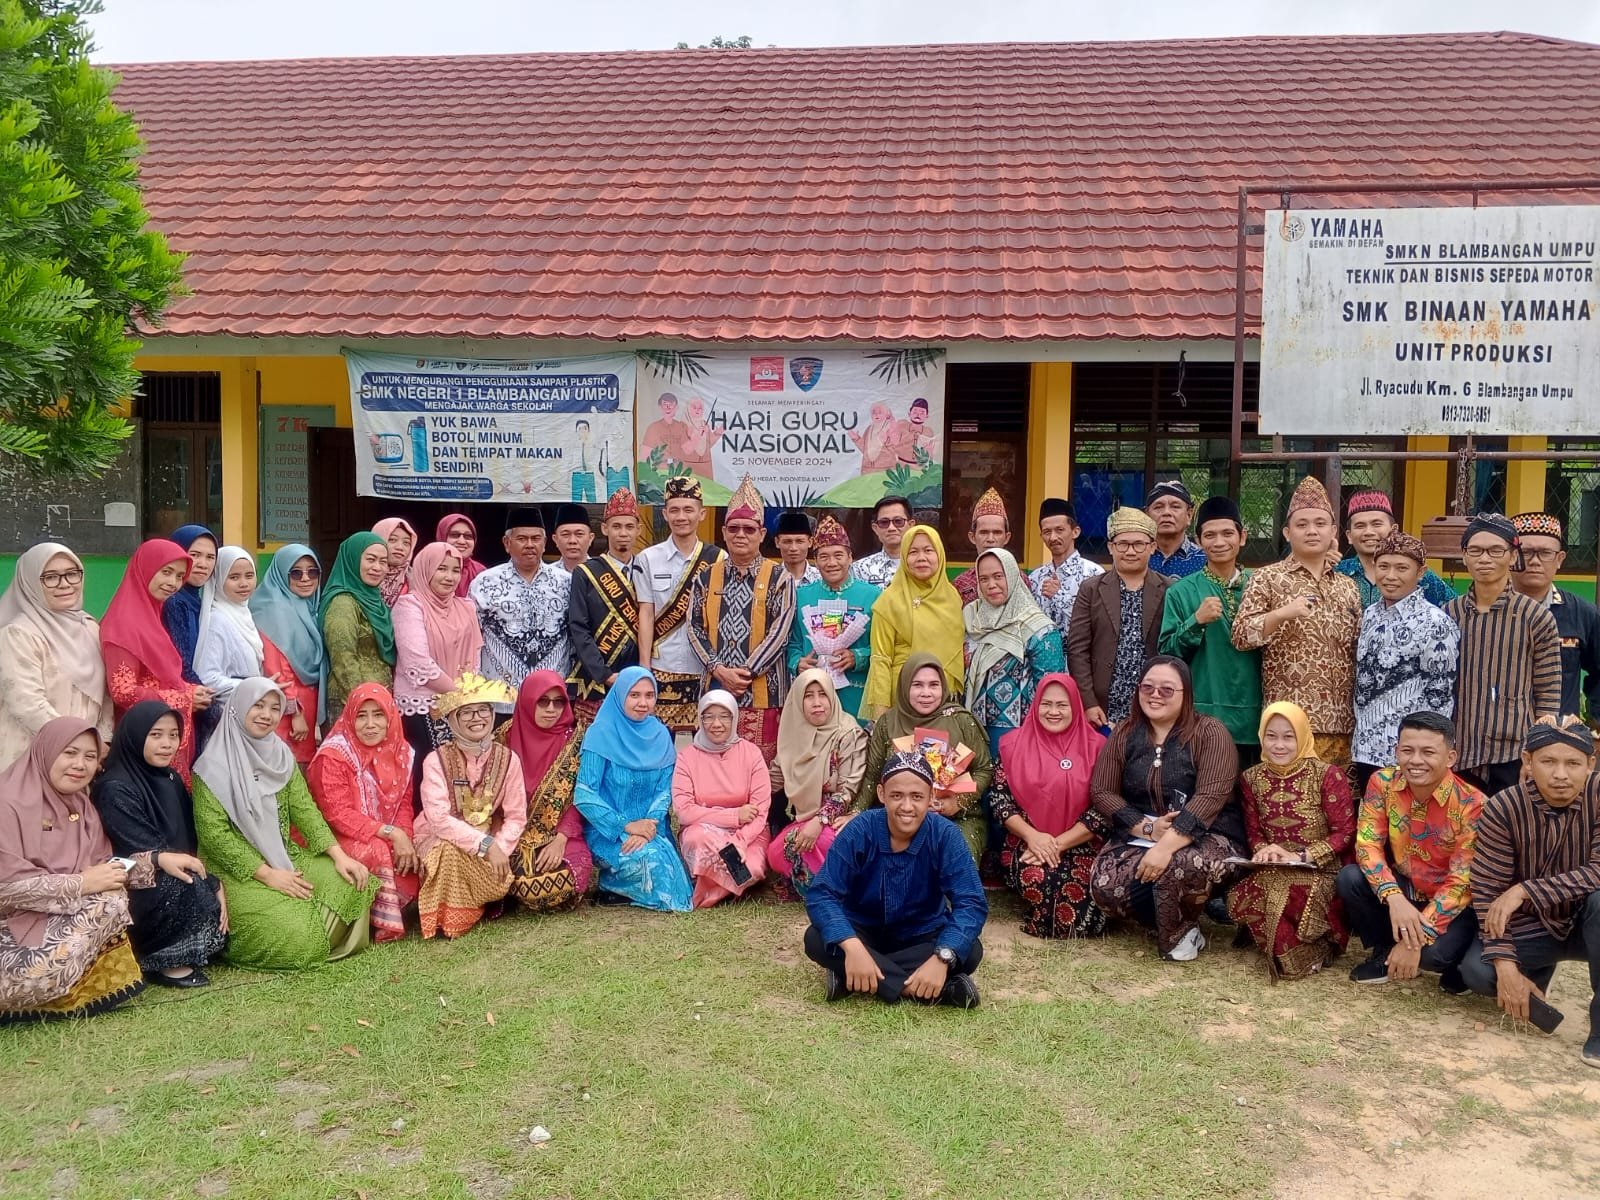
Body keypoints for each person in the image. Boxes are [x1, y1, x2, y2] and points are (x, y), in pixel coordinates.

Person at [192, 678, 376, 970]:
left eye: (275, 708)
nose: (267, 714)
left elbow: (305, 810)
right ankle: (307, 931)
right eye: (258, 705)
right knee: (297, 933)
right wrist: (268, 875)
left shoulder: (280, 756)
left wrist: (340, 857)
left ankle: (313, 923)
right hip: (237, 871)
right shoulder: (210, 768)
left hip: (285, 853)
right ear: (238, 708)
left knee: (351, 882)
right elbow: (215, 837)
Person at [1458, 717, 1600, 1068]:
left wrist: (1525, 890)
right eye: (1548, 761)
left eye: (1573, 763)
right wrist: (1507, 968)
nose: (1561, 775)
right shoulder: (1503, 807)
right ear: (1527, 761)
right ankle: (1532, 975)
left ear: (1591, 764)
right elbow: (1489, 890)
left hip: (1588, 921)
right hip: (1533, 926)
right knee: (1478, 972)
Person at [1088, 656, 1244, 961]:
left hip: (1209, 835)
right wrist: (1146, 827)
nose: (1155, 695)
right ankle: (1167, 919)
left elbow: (1211, 797)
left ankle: (1181, 933)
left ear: (1186, 694)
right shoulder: (1124, 733)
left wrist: (1166, 845)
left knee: (1177, 866)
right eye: (1147, 687)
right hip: (1143, 834)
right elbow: (1101, 790)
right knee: (1105, 882)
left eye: (1167, 689)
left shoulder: (1210, 733)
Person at [803, 751, 988, 1007]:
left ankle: (853, 976)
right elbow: (822, 893)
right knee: (816, 939)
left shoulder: (946, 835)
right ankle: (933, 990)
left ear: (931, 797)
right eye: (896, 795)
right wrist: (853, 947)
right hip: (863, 933)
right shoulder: (861, 829)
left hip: (921, 935)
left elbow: (971, 903)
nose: (907, 807)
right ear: (881, 794)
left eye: (917, 797)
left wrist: (942, 958)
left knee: (970, 951)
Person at [0, 718, 149, 1021]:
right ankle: (29, 989)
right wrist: (81, 883)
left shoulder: (80, 806)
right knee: (108, 901)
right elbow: (5, 889)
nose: (80, 764)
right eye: (69, 753)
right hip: (10, 925)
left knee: (114, 896)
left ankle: (54, 988)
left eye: (90, 756)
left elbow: (100, 867)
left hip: (55, 921)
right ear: (46, 751)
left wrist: (153, 863)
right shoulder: (8, 803)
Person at [1337, 711, 1482, 987]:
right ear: (1396, 751)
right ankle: (1383, 951)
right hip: (1405, 887)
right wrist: (1394, 897)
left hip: (1449, 900)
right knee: (1349, 878)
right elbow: (1368, 845)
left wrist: (1415, 942)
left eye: (1428, 752)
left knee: (1432, 956)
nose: (1416, 760)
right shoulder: (1383, 782)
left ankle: (1455, 963)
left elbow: (1463, 882)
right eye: (1407, 750)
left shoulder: (1471, 803)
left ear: (1451, 757)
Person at [91, 702, 226, 986]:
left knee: (205, 888)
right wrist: (201, 879)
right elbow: (138, 850)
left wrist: (211, 880)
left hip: (170, 865)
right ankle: (162, 960)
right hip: (127, 879)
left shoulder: (170, 777)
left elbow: (184, 842)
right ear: (135, 735)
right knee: (184, 887)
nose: (167, 744)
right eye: (156, 735)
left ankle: (185, 946)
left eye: (173, 735)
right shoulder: (114, 788)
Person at [1232, 476, 1362, 766]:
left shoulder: (1347, 585)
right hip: (1287, 724)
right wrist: (1282, 614)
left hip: (1342, 722)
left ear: (1333, 532)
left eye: (1320, 523)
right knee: (1288, 806)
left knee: (1337, 806)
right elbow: (1240, 635)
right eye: (1302, 525)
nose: (1312, 531)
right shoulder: (1267, 578)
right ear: (1287, 533)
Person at [1228, 702, 1355, 981]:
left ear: (1303, 735)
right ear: (1261, 736)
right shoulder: (1251, 778)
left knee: (1287, 897)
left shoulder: (1327, 775)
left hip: (1319, 868)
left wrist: (1302, 857)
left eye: (1289, 736)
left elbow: (1344, 832)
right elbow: (1254, 832)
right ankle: (1294, 949)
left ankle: (1311, 949)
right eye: (1271, 736)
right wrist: (1264, 851)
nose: (1279, 745)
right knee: (1242, 898)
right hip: (1274, 867)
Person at [1444, 514, 1563, 795]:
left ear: (1512, 556)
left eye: (1496, 550)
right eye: (1476, 550)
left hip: (1512, 752)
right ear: (1464, 556)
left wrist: (1536, 753)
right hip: (1458, 750)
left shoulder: (1535, 616)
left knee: (1510, 832)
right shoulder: (1449, 614)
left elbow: (1548, 694)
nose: (1485, 558)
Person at [990, 674, 1109, 939]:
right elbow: (1000, 801)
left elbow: (1104, 808)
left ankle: (1056, 918)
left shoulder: (1098, 747)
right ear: (1035, 705)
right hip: (1027, 843)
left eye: (1062, 705)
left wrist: (1056, 844)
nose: (1053, 711)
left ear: (1075, 706)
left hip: (1082, 843)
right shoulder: (1012, 745)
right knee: (1039, 879)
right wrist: (1034, 837)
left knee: (1085, 899)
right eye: (1046, 704)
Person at [687, 475, 796, 762]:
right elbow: (694, 628)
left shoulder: (778, 577)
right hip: (715, 690)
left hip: (764, 695)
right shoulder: (706, 577)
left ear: (761, 534)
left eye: (749, 529)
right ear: (723, 532)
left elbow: (780, 633)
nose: (740, 534)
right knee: (713, 768)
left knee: (760, 771)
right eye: (733, 528)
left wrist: (744, 674)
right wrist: (720, 671)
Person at [414, 673, 527, 940]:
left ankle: (476, 902)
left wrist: (500, 847)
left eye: (482, 710)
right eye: (467, 712)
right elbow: (439, 820)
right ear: (453, 719)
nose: (477, 718)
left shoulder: (509, 759)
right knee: (447, 853)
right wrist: (485, 847)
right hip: (437, 837)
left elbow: (516, 817)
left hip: (490, 840)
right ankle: (451, 917)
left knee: (500, 874)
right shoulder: (435, 760)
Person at [572, 666, 692, 912]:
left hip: (652, 829)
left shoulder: (660, 734)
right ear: (620, 695)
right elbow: (584, 794)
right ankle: (612, 884)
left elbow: (664, 790)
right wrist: (626, 826)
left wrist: (647, 827)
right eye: (634, 695)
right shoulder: (600, 734)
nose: (642, 703)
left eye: (649, 695)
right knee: (654, 864)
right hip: (609, 833)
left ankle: (619, 886)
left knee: (673, 871)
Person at [306, 684, 419, 943]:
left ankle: (396, 910)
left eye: (378, 714)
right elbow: (336, 813)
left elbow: (404, 804)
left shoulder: (400, 751)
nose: (370, 724)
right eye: (361, 715)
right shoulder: (334, 755)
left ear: (390, 716)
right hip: (333, 835)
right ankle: (381, 924)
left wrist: (406, 837)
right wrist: (392, 833)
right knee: (377, 848)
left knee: (413, 846)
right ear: (349, 717)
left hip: (381, 829)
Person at [856, 653, 993, 861]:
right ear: (904, 687)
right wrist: (856, 812)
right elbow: (873, 776)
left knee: (954, 863)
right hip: (900, 816)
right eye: (917, 685)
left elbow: (984, 769)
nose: (926, 693)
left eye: (934, 685)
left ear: (943, 687)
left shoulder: (961, 721)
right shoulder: (887, 723)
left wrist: (956, 802)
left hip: (957, 818)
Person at [1353, 532, 1460, 791]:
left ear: (1420, 572)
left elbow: (1440, 694)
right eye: (1384, 566)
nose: (1391, 576)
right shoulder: (1369, 615)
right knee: (1371, 827)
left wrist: (1424, 753)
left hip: (1408, 756)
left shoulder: (1435, 622)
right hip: (1364, 748)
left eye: (1402, 568)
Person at [1157, 496, 1261, 758]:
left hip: (1259, 714)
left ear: (1242, 537)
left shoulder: (1261, 585)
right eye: (1210, 535)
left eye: (1227, 533)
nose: (1219, 542)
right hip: (1204, 713)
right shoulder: (1181, 591)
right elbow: (1167, 655)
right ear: (1199, 540)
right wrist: (1196, 621)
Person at [101, 539, 212, 782]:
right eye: (166, 572)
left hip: (163, 734)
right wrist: (184, 697)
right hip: (144, 740)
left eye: (180, 576)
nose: (173, 583)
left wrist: (189, 689)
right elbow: (123, 691)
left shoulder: (153, 614)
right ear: (146, 568)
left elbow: (158, 676)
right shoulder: (124, 623)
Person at [0, 542, 112, 770]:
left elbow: (106, 694)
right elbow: (27, 704)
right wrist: (80, 743)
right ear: (30, 581)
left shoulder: (89, 627)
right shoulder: (19, 634)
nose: (65, 584)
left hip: (84, 761)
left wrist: (102, 740)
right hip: (33, 755)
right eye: (50, 577)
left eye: (72, 574)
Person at [636, 475, 725, 733]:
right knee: (660, 739)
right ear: (664, 514)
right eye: (674, 510)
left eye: (688, 509)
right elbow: (646, 612)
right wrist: (644, 667)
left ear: (702, 514)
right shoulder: (648, 559)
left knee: (707, 739)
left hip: (706, 666)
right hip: (663, 666)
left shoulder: (719, 558)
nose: (681, 516)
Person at [768, 667, 869, 895]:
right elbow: (772, 780)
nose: (817, 702)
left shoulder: (849, 733)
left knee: (823, 842)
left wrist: (819, 821)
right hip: (805, 820)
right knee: (775, 854)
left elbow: (847, 791)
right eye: (808, 695)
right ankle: (826, 886)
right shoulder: (793, 734)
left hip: (843, 819)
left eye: (823, 694)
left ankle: (837, 891)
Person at [1067, 507, 1170, 729]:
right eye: (1122, 544)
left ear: (1152, 547)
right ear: (1111, 547)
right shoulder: (1092, 589)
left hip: (1155, 702)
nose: (1130, 551)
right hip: (1103, 708)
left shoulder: (1169, 589)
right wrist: (1088, 702)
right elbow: (1077, 649)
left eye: (1139, 544)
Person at [672, 690, 773, 907]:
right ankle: (731, 886)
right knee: (696, 839)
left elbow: (760, 811)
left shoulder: (751, 754)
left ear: (734, 718)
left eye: (724, 716)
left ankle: (707, 889)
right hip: (704, 831)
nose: (716, 724)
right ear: (700, 719)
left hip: (748, 833)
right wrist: (734, 815)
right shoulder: (687, 757)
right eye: (709, 717)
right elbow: (684, 811)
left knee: (752, 868)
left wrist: (740, 841)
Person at [507, 670, 595, 912]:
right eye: (542, 701)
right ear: (527, 702)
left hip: (562, 835)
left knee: (564, 877)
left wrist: (561, 839)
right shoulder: (504, 738)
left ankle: (515, 889)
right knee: (516, 878)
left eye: (559, 702)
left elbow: (582, 795)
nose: (551, 709)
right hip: (512, 835)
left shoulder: (576, 741)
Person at [394, 542, 483, 776]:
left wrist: (467, 693)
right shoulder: (409, 605)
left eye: (456, 570)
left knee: (460, 774)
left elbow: (474, 656)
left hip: (460, 706)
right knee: (430, 773)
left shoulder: (466, 607)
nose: (450, 577)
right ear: (425, 569)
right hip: (424, 707)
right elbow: (418, 663)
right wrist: (458, 693)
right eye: (442, 569)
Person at [964, 547, 1065, 753]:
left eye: (998, 576)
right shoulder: (971, 619)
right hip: (972, 730)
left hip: (1018, 736)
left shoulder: (1039, 629)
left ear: (1011, 575)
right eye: (983, 579)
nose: (991, 585)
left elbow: (1051, 690)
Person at [863, 525, 965, 719]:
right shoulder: (889, 601)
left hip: (944, 701)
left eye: (928, 550)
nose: (921, 558)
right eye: (913, 552)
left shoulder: (952, 598)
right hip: (902, 701)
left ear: (940, 555)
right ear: (903, 557)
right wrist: (881, 716)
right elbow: (880, 661)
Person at [471, 507, 573, 695]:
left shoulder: (566, 582)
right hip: (500, 696)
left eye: (535, 539)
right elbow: (471, 637)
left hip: (551, 699)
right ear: (507, 543)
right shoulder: (485, 582)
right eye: (521, 539)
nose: (529, 544)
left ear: (544, 543)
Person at [1511, 511, 1600, 722]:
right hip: (1497, 742)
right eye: (1526, 552)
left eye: (1545, 553)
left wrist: (1596, 723)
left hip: (1559, 741)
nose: (1535, 561)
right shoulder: (1489, 610)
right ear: (1511, 556)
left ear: (1559, 559)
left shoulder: (1582, 613)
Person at [787, 515, 877, 723]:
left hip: (856, 691)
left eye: (838, 555)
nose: (832, 563)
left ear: (850, 558)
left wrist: (858, 656)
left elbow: (884, 647)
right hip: (813, 692)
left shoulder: (873, 596)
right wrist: (796, 662)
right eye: (824, 557)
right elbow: (792, 641)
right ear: (815, 561)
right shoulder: (801, 596)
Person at [568, 487, 643, 718]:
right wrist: (604, 673)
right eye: (616, 526)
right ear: (604, 528)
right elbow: (578, 628)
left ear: (638, 530)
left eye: (629, 526)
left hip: (636, 676)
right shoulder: (586, 572)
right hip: (596, 678)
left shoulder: (647, 569)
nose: (623, 533)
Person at [250, 544, 327, 763]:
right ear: (282, 574)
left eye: (313, 572)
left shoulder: (308, 608)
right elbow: (277, 670)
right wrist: (295, 713)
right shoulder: (272, 609)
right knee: (286, 772)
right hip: (287, 711)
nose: (305, 578)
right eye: (296, 572)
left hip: (306, 705)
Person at [320, 532, 397, 718]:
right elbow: (343, 658)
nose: (377, 567)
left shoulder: (375, 600)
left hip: (381, 700)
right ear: (352, 560)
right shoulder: (343, 603)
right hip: (354, 703)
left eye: (383, 561)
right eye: (370, 559)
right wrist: (362, 702)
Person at [1335, 491, 1455, 608]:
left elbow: (1455, 610)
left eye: (1376, 524)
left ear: (1393, 530)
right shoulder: (1336, 573)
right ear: (1349, 536)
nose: (1368, 532)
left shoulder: (1418, 576)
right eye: (1360, 526)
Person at [194, 546, 268, 706]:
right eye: (234, 577)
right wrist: (254, 687)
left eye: (249, 576)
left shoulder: (243, 614)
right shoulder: (217, 620)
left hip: (249, 708)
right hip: (228, 713)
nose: (244, 584)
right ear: (218, 579)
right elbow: (208, 678)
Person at [1028, 497, 1102, 646]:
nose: (1053, 537)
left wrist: (1060, 596)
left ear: (1075, 532)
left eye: (1059, 530)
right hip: (1043, 664)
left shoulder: (1093, 573)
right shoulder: (1035, 577)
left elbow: (1099, 622)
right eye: (1047, 532)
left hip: (1079, 661)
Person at [161, 524, 218, 683]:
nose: (203, 564)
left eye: (210, 557)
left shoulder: (201, 602)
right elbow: (182, 665)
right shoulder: (174, 602)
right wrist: (211, 704)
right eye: (195, 555)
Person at [951, 487, 1017, 606]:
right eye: (984, 532)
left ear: (1007, 537)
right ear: (972, 537)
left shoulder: (1020, 580)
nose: (990, 539)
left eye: (997, 532)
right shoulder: (959, 585)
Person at [1146, 479, 1206, 579]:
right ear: (1147, 516)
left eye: (1175, 507)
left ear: (1189, 515)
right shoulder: (1137, 556)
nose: (1166, 513)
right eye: (1158, 507)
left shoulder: (1204, 560)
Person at [851, 495, 912, 589]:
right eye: (884, 522)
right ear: (875, 528)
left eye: (898, 521)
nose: (891, 528)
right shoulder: (859, 569)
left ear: (911, 525)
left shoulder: (925, 564)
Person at [435, 512, 488, 598]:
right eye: (455, 535)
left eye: (468, 536)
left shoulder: (481, 572)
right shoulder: (429, 569)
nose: (462, 541)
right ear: (442, 537)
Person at [372, 517, 417, 607]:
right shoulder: (361, 576)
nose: (400, 547)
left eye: (406, 543)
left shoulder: (415, 580)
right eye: (392, 540)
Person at [775, 509, 821, 586]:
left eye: (799, 541)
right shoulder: (768, 578)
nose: (793, 548)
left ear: (810, 542)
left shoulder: (821, 579)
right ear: (777, 542)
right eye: (787, 541)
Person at [550, 503, 594, 575]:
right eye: (565, 534)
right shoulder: (548, 574)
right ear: (555, 539)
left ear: (590, 538)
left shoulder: (603, 574)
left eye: (579, 534)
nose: (572, 541)